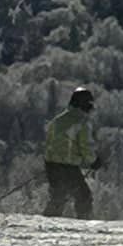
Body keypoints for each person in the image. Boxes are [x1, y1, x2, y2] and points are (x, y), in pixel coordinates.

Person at [44, 87, 99, 219]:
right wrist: (94, 161)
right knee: (84, 196)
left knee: (58, 196)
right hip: (67, 166)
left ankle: (47, 223)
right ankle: (84, 224)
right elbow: (85, 146)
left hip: (51, 165)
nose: (90, 108)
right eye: (89, 104)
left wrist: (52, 161)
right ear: (83, 104)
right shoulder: (82, 122)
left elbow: (50, 142)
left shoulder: (57, 120)